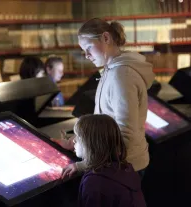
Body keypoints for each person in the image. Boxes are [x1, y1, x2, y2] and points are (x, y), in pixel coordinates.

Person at [52, 18, 155, 176]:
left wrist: (84, 165)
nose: (86, 55)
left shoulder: (122, 76)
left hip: (123, 167)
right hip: (118, 163)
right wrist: (74, 142)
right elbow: (105, 128)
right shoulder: (111, 70)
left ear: (106, 38)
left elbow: (124, 135)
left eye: (89, 48)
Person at [68, 114, 146, 207]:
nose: (74, 141)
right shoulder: (124, 168)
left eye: (78, 137)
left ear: (93, 144)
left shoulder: (95, 182)